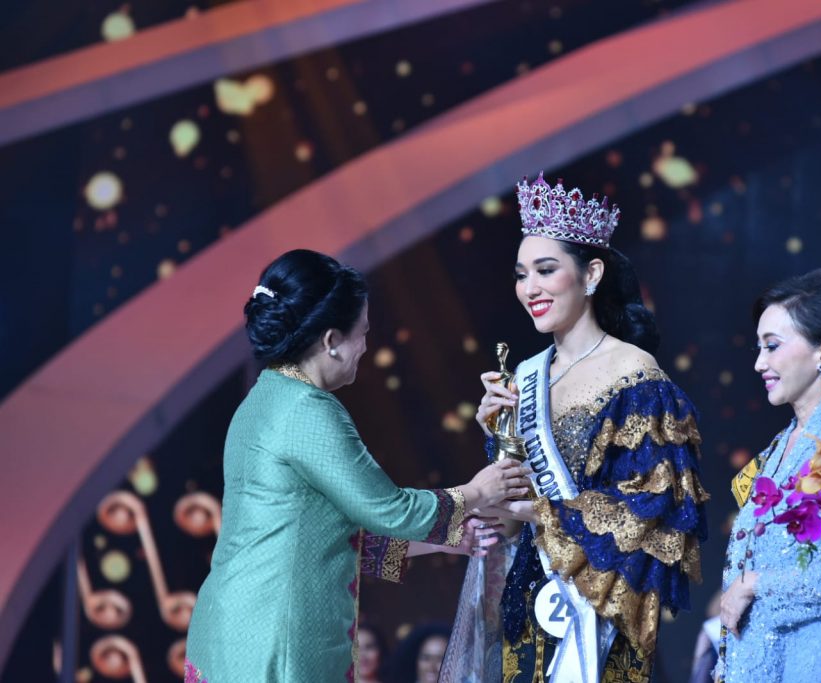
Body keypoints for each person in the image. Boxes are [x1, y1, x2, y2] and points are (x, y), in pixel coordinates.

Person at [183, 249, 529, 683]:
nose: (365, 345)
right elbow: (390, 510)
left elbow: (332, 537)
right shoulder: (308, 409)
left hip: (236, 631)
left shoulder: (265, 398)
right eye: (362, 333)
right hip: (276, 636)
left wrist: (446, 538)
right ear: (331, 340)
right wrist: (478, 491)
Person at [444, 173, 709, 682]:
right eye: (521, 275)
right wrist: (498, 437)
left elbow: (652, 511)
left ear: (591, 274)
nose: (530, 289)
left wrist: (541, 511)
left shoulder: (635, 375)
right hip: (528, 602)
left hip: (599, 611)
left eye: (546, 270)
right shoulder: (526, 377)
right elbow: (511, 516)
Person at [717, 268, 821, 682]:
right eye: (759, 348)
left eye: (772, 346)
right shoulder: (784, 443)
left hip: (818, 661)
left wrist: (753, 585)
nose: (759, 363)